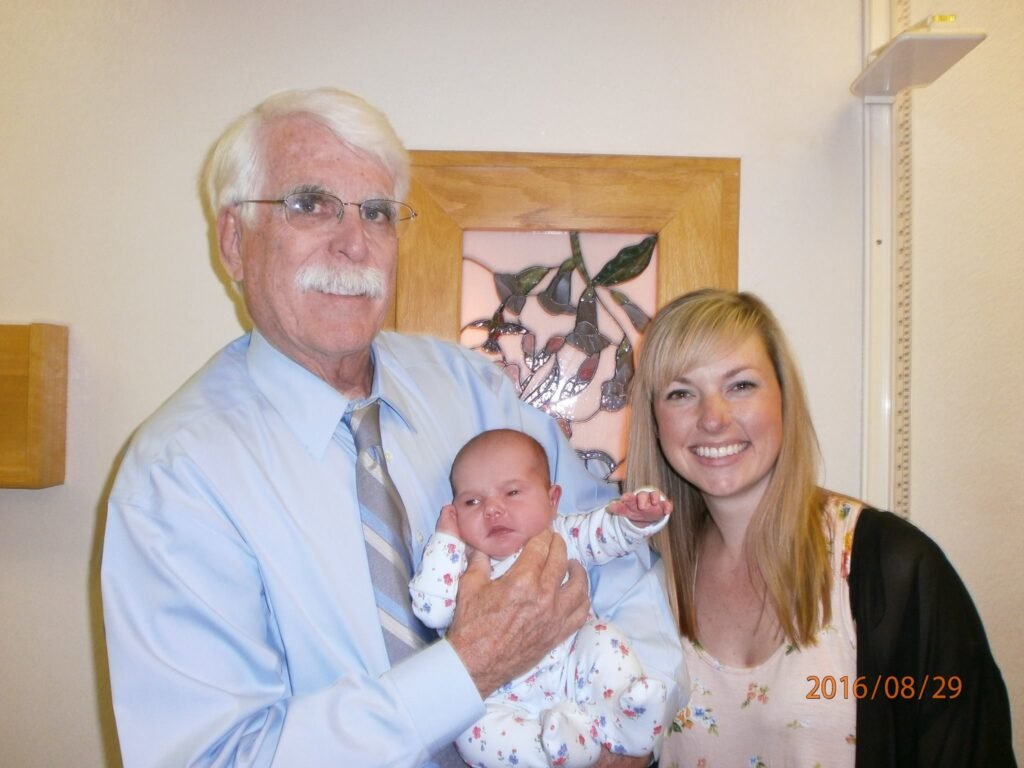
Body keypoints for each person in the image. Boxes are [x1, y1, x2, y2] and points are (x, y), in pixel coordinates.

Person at [100, 87, 683, 768]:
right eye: (309, 204)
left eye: (376, 212)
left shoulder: (473, 389)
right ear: (234, 242)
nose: (353, 243)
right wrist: (470, 667)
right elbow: (215, 757)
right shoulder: (178, 476)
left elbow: (621, 571)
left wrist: (629, 736)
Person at [624, 288, 1015, 767]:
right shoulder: (646, 583)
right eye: (681, 393)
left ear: (784, 398)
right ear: (655, 421)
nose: (713, 419)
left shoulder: (891, 570)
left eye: (740, 385)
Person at [410, 429, 672, 768]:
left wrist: (636, 518)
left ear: (552, 500)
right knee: (472, 734)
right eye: (471, 501)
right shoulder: (460, 564)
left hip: (575, 670)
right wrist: (446, 538)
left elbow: (605, 532)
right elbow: (432, 610)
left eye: (513, 492)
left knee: (604, 637)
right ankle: (558, 750)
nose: (492, 509)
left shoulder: (560, 535)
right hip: (503, 698)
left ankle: (625, 721)